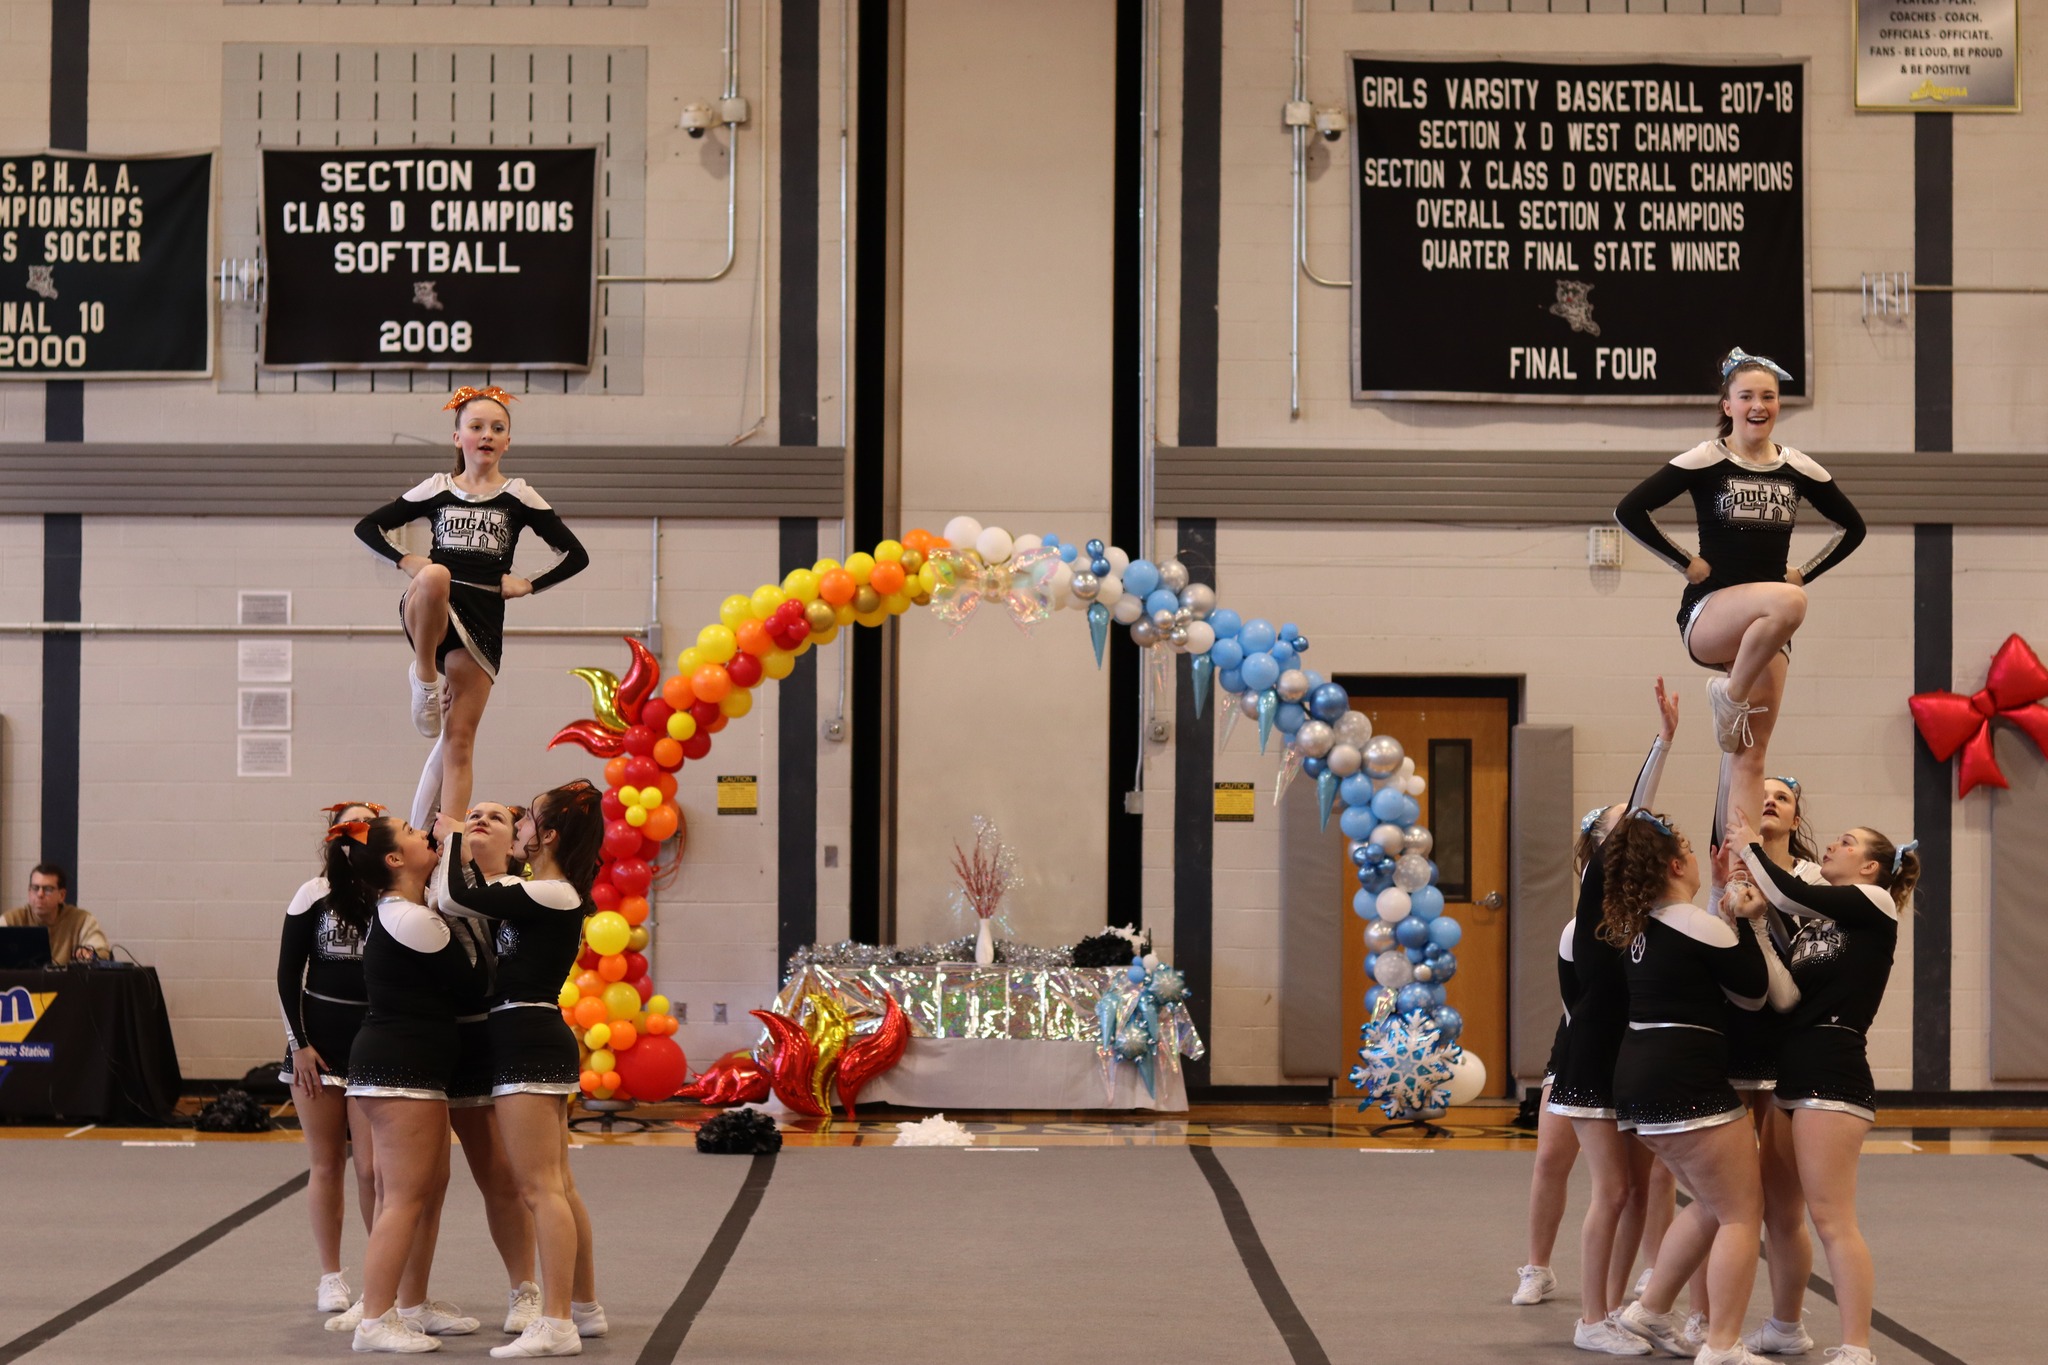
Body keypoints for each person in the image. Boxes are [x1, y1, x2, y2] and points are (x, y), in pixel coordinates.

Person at [1612, 348, 1865, 841]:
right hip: (1711, 613)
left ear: (1778, 405)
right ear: (1726, 404)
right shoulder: (1706, 459)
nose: (1758, 405)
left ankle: (1741, 874)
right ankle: (1730, 696)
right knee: (1791, 602)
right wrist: (1686, 562)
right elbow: (1630, 510)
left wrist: (1804, 570)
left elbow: (1852, 527)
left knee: (1750, 756)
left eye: (1768, 397)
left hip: (1766, 633)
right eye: (1746, 395)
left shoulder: (1798, 468)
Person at [354, 387, 590, 825]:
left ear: (507, 442)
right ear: (457, 437)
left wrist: (528, 584)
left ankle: (447, 838)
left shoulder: (520, 495)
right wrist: (406, 560)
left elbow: (576, 555)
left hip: (482, 618)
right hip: (430, 606)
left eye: (497, 428)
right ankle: (424, 675)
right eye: (476, 427)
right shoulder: (438, 488)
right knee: (436, 574)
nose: (486, 435)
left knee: (457, 742)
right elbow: (368, 526)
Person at [1607, 816, 1795, 1365]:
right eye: (1688, 849)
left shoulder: (1641, 923)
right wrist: (1755, 923)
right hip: (1683, 1078)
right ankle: (1722, 1344)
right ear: (1674, 865)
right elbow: (1755, 994)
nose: (1696, 857)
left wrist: (1719, 903)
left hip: (1640, 1079)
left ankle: (1649, 1307)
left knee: (1715, 1203)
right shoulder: (1694, 922)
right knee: (1742, 1210)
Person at [1734, 809, 1916, 1365]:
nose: (1833, 845)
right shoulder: (1818, 926)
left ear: (1870, 867)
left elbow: (1787, 890)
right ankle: (1786, 1326)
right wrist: (1759, 927)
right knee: (1779, 1213)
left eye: (1847, 842)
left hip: (1834, 1071)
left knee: (1832, 1217)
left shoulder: (1876, 905)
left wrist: (1749, 847)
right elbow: (1786, 997)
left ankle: (1857, 1345)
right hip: (1792, 1066)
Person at [437, 781, 609, 1358]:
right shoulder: (540, 890)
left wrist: (455, 830)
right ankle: (584, 1308)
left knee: (540, 1189)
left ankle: (556, 1322)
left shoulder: (557, 892)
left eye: (530, 821)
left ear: (551, 835)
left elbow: (460, 897)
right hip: (525, 1033)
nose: (523, 828)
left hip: (528, 1034)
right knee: (557, 1185)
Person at [1543, 679, 1678, 1354]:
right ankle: (1590, 1317)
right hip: (1591, 1062)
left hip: (1625, 1061)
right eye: (1626, 823)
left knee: (1635, 1190)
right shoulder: (1594, 901)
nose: (1637, 825)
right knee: (1615, 1188)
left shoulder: (1648, 913)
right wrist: (1663, 742)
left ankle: (1618, 1306)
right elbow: (1635, 810)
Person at [336, 815, 490, 1354]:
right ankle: (375, 1320)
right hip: (400, 1071)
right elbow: (475, 988)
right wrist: (460, 872)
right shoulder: (412, 920)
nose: (421, 830)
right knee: (401, 1199)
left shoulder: (407, 912)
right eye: (408, 830)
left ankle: (411, 1305)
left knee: (425, 1192)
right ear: (394, 861)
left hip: (405, 1068)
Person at [276, 802, 382, 1315]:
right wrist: (298, 1045)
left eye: (368, 826)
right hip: (316, 1045)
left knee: (370, 1169)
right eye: (351, 825)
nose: (357, 836)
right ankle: (330, 1275)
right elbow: (285, 976)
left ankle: (377, 1277)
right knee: (325, 1164)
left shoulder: (387, 895)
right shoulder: (312, 894)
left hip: (370, 1044)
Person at [1510, 919, 1580, 1308]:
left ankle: (1655, 1267)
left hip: (1641, 1044)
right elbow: (1574, 1005)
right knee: (1552, 1156)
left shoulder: (1662, 922)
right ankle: (1538, 1267)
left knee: (1651, 1173)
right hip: (1582, 1042)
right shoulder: (1576, 929)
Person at [4, 864, 109, 962]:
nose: (40, 894)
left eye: (48, 889)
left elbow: (102, 952)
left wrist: (89, 954)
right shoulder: (12, 919)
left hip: (67, 982)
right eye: (35, 888)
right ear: (29, 892)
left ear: (62, 895)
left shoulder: (81, 920)